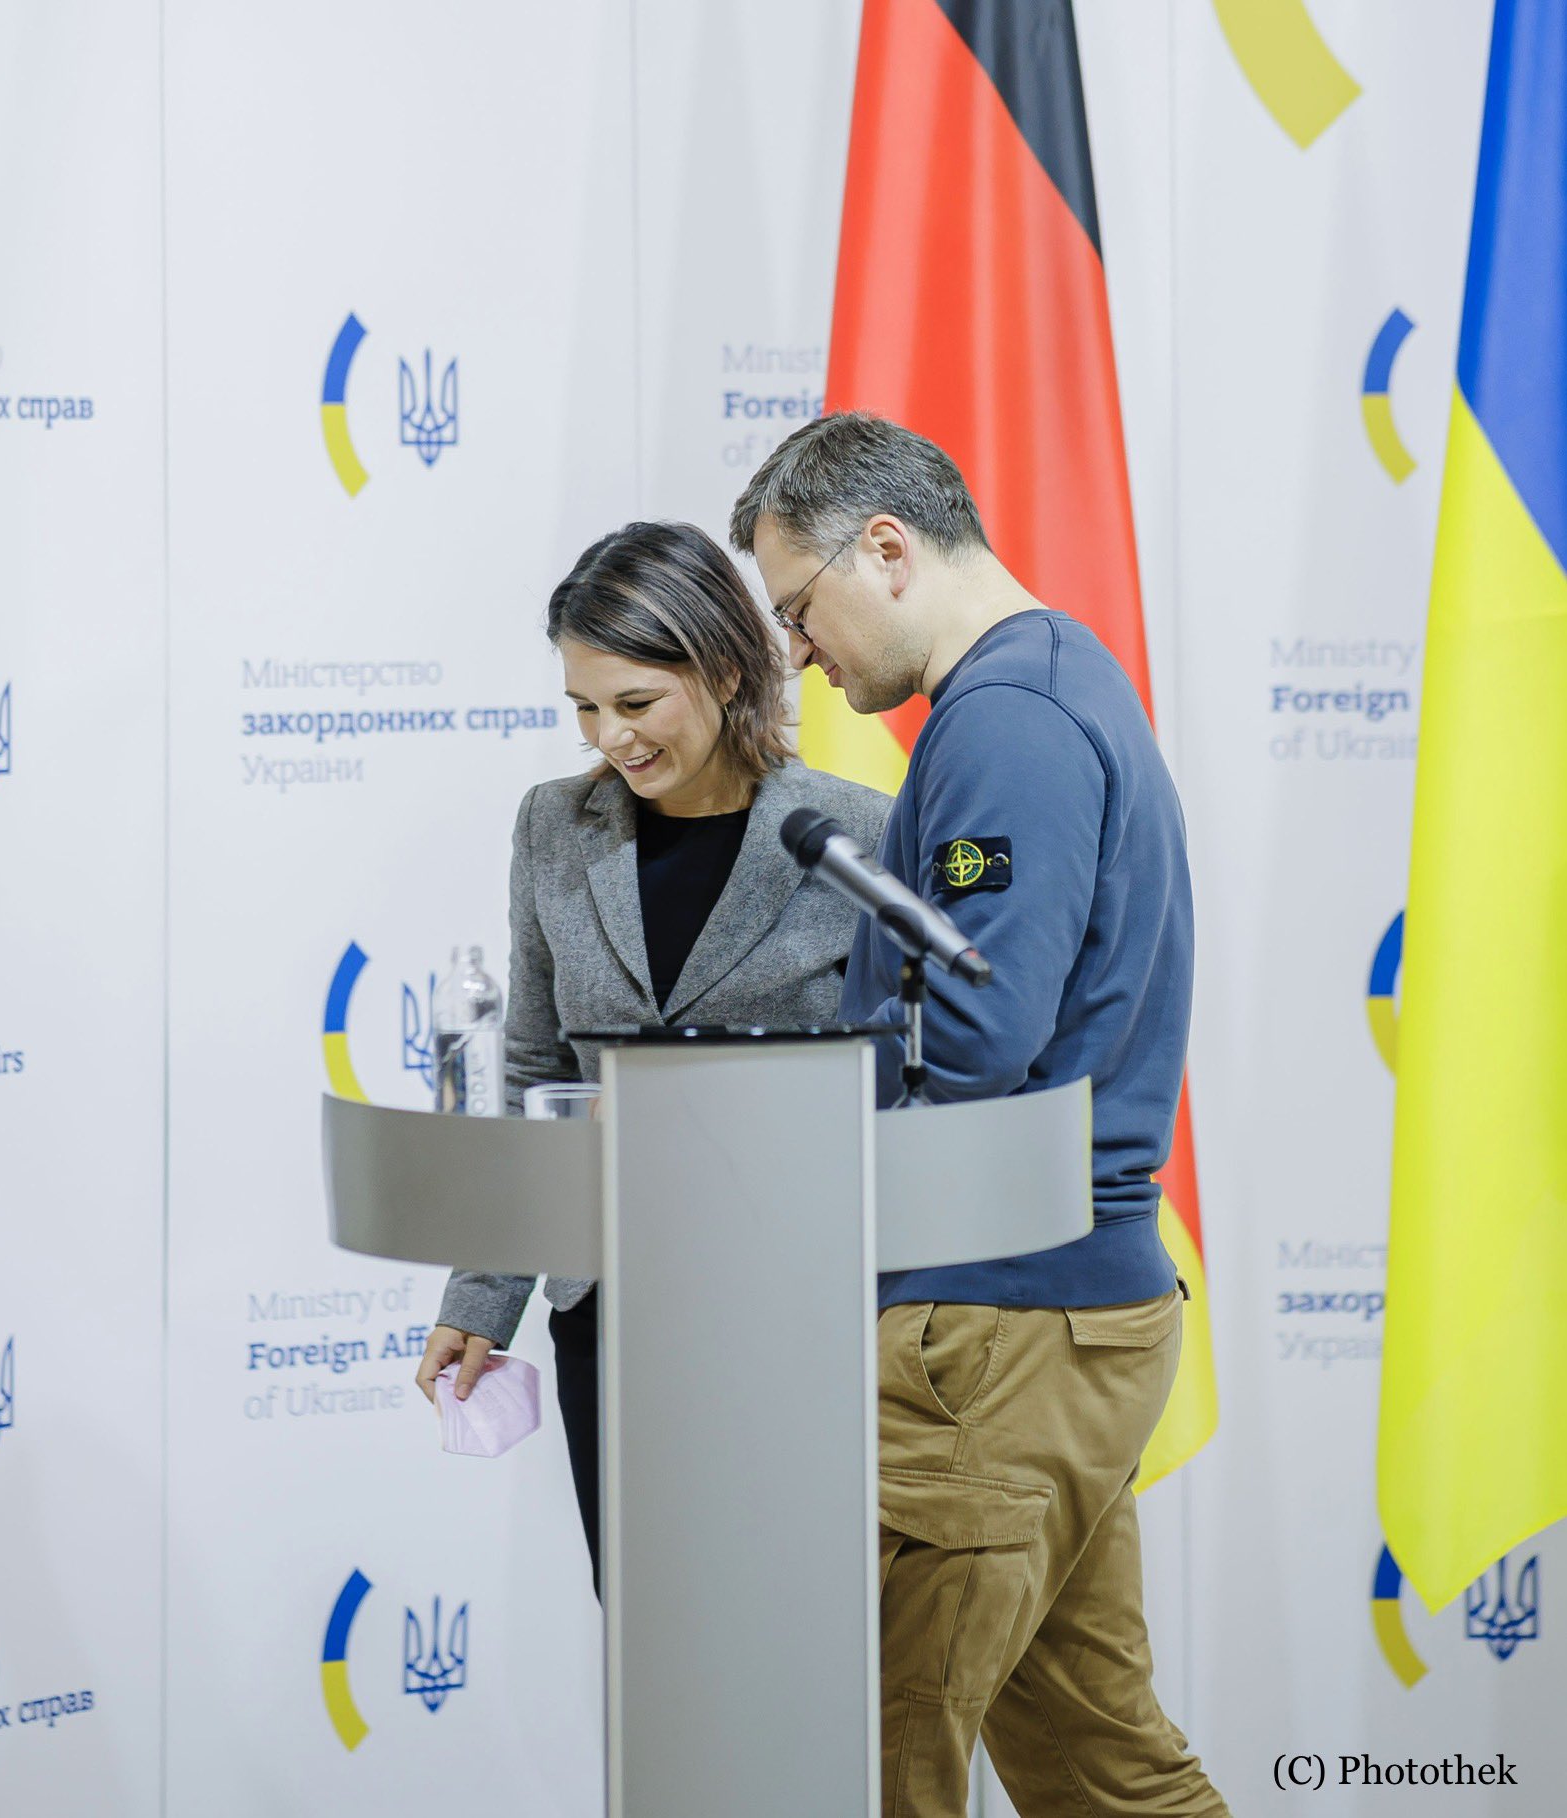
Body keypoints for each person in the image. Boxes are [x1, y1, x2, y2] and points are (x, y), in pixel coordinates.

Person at [731, 413, 1229, 1817]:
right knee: (1098, 1763)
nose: (799, 655)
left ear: (883, 551)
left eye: (797, 610)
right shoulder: (1048, 684)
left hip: (996, 1327)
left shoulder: (1005, 720)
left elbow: (979, 1032)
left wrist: (798, 1078)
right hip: (1050, 1315)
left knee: (869, 1757)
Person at [412, 519, 889, 1593]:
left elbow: (904, 1081)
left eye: (634, 703)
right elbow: (533, 1072)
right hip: (611, 1321)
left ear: (726, 669)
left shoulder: (857, 834)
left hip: (793, 1312)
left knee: (796, 1624)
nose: (610, 739)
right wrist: (479, 1301)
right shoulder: (554, 827)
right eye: (584, 708)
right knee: (643, 1624)